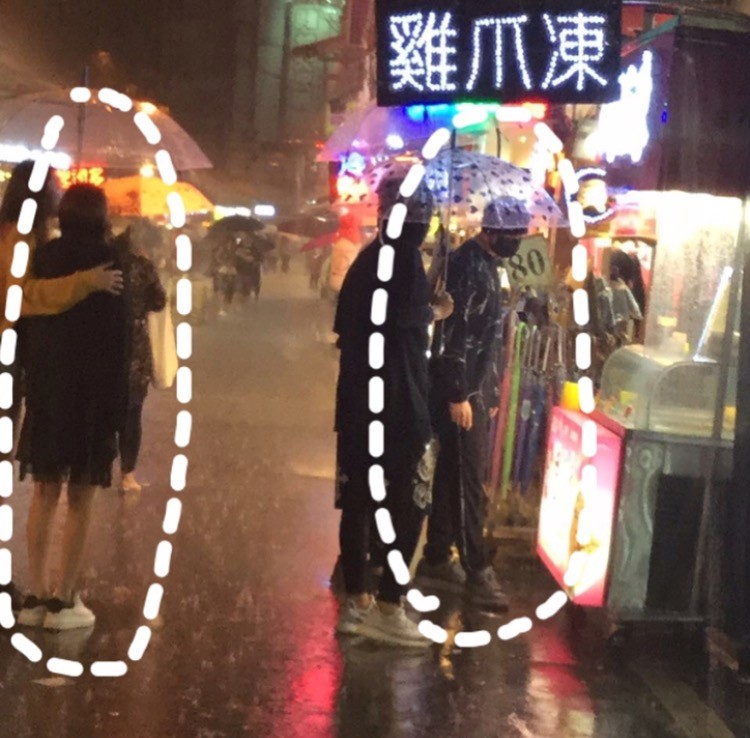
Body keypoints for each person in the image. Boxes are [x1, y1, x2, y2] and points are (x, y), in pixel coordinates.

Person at [333, 178, 452, 647]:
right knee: (411, 502)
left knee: (359, 502)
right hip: (400, 405)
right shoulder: (405, 261)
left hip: (357, 403)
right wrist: (434, 311)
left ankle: (357, 602)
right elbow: (402, 321)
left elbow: (355, 326)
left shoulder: (368, 259)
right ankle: (388, 603)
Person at [0, 162, 123, 615]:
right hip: (10, 365)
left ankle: (32, 587)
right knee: (69, 493)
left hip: (30, 373)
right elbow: (23, 299)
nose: (58, 189)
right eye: (53, 184)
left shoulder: (38, 244)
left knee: (43, 488)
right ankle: (52, 594)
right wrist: (85, 280)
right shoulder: (18, 240)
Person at [416, 204, 526, 612]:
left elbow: (487, 339)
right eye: (513, 233)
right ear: (492, 231)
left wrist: (488, 395)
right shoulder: (466, 267)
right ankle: (477, 568)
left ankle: (437, 556)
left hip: (475, 394)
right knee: (468, 482)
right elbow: (453, 335)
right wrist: (458, 394)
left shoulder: (488, 266)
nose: (517, 240)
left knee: (452, 474)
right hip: (460, 393)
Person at [113, 226, 167, 493]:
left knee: (99, 409)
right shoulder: (142, 265)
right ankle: (127, 475)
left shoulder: (98, 262)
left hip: (100, 343)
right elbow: (159, 301)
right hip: (134, 345)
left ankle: (92, 470)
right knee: (132, 413)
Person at [211, 233, 238, 316]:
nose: (231, 244)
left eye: (232, 242)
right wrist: (225, 263)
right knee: (223, 289)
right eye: (229, 242)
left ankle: (227, 307)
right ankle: (222, 308)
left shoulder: (236, 251)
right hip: (223, 271)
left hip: (232, 271)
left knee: (231, 290)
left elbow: (237, 260)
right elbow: (217, 258)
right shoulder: (222, 250)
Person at [235, 232, 264, 304]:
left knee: (247, 291)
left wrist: (253, 261)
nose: (247, 240)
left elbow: (259, 259)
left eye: (249, 238)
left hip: (251, 273)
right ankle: (241, 304)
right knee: (240, 290)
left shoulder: (256, 249)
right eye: (245, 238)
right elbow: (235, 259)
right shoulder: (238, 247)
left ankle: (246, 302)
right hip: (240, 271)